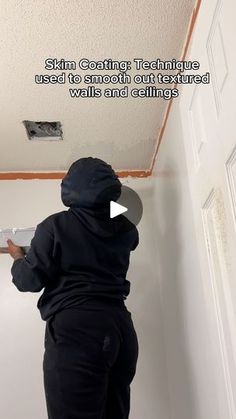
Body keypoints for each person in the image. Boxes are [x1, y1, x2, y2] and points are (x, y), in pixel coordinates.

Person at [6, 157, 139, 419]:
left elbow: (28, 280)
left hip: (78, 330)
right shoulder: (126, 230)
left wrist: (18, 258)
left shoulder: (55, 225)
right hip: (121, 331)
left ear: (70, 189)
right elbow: (112, 222)